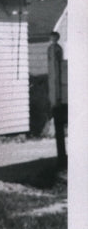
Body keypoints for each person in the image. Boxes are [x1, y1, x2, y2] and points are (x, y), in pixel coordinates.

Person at [47, 31, 67, 167]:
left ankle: (62, 160)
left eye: (53, 37)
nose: (51, 39)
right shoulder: (53, 49)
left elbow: (57, 70)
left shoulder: (56, 49)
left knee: (60, 127)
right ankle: (61, 159)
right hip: (56, 91)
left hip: (58, 93)